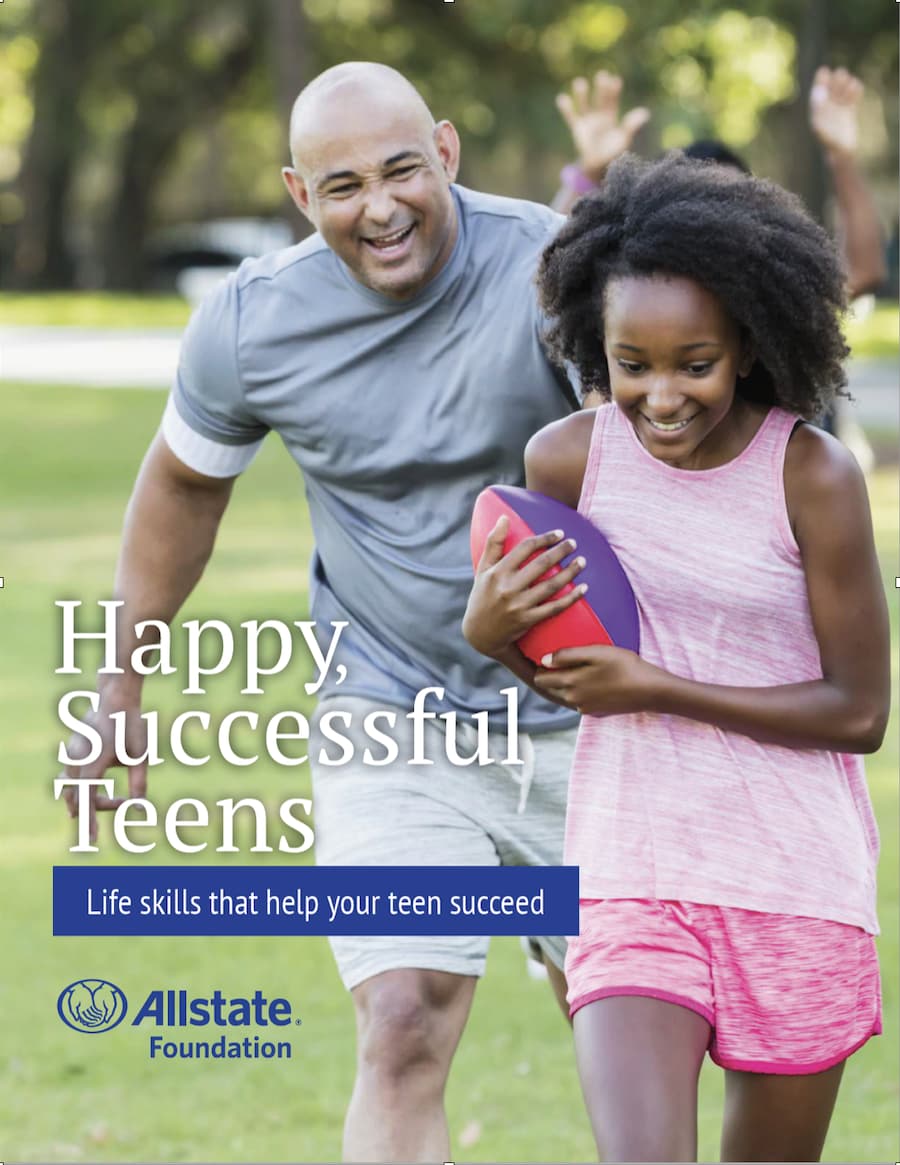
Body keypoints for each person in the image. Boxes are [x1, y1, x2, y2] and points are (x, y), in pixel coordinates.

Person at [60, 61, 586, 1163]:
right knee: (402, 1021)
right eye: (341, 185)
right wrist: (119, 678)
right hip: (392, 709)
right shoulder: (253, 325)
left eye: (401, 170)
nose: (380, 206)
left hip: (593, 714)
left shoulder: (555, 270)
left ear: (446, 151)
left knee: (624, 1017)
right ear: (301, 196)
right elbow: (182, 486)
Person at [462, 152, 890, 1162]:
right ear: (591, 347)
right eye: (631, 364)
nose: (660, 396)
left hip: (794, 878)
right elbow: (581, 676)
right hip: (631, 866)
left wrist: (662, 687)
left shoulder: (813, 475)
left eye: (693, 363)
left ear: (747, 341)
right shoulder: (566, 461)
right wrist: (491, 635)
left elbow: (860, 711)